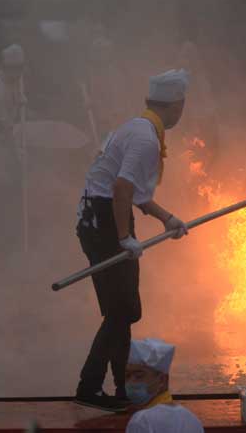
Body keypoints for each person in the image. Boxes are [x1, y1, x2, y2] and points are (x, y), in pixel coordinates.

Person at [74, 69, 191, 412]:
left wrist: (166, 218)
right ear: (176, 106)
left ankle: (121, 388)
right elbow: (121, 189)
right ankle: (89, 386)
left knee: (122, 310)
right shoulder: (145, 139)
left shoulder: (135, 127)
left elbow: (133, 191)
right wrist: (124, 237)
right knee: (123, 309)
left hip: (104, 216)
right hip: (103, 220)